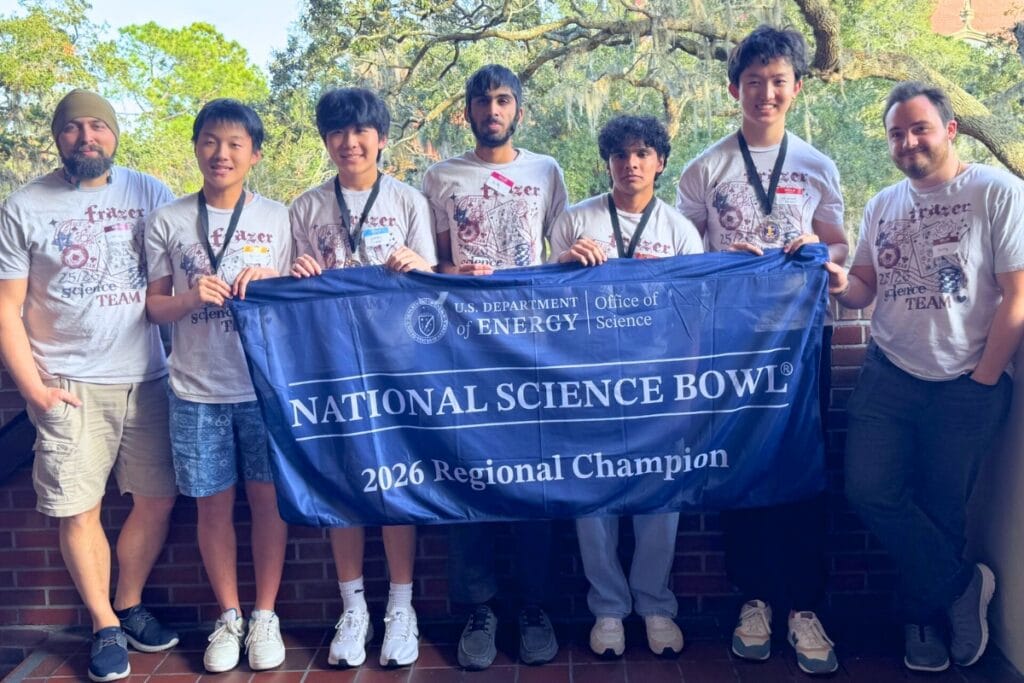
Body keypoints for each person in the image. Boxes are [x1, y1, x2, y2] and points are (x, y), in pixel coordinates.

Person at [827, 81, 1024, 673]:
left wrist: (984, 379)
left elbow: (1017, 296)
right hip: (888, 375)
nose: (907, 142)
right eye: (896, 134)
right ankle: (963, 585)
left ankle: (921, 623)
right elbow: (865, 288)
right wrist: (839, 281)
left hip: (967, 380)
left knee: (942, 509)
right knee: (868, 490)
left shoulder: (996, 191)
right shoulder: (883, 204)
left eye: (919, 129)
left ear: (950, 130)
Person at [675, 25, 847, 675]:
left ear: (796, 88)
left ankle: (803, 606)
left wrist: (818, 252)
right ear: (734, 90)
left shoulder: (818, 165)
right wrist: (722, 260)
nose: (765, 93)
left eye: (778, 82)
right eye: (753, 82)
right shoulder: (705, 168)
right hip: (732, 349)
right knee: (739, 464)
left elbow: (839, 246)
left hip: (801, 346)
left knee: (805, 465)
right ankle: (752, 600)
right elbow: (683, 258)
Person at [0, 90, 179, 682]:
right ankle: (103, 624)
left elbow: (188, 262)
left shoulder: (150, 192)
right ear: (58, 137)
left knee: (158, 499)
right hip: (68, 382)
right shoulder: (25, 206)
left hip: (148, 377)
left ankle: (128, 604)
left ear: (114, 133)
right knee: (79, 508)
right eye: (73, 128)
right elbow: (6, 308)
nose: (87, 138)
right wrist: (35, 391)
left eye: (98, 126)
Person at [421, 63, 568, 670]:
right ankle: (477, 608)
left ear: (519, 110)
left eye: (503, 99)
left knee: (537, 477)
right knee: (468, 475)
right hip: (465, 351)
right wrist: (452, 273)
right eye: (482, 101)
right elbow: (431, 265)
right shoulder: (441, 177)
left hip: (531, 349)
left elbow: (562, 255)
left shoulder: (547, 171)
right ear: (468, 112)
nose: (493, 110)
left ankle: (534, 605)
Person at [290, 87, 436, 669]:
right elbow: (289, 290)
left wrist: (419, 266)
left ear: (381, 138)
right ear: (326, 140)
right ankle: (353, 609)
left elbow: (434, 284)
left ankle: (402, 607)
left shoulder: (408, 200)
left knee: (396, 481)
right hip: (330, 364)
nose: (349, 142)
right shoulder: (305, 208)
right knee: (344, 484)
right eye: (337, 132)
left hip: (396, 364)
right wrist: (299, 272)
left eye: (360, 132)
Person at [144, 99, 291, 673]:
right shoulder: (169, 219)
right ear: (196, 147)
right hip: (194, 389)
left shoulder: (280, 217)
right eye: (209, 141)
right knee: (212, 508)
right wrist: (188, 298)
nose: (221, 153)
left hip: (263, 387)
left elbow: (301, 292)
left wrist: (273, 277)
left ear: (255, 155)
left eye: (234, 144)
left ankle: (265, 616)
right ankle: (228, 618)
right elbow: (154, 308)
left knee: (269, 505)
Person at [549, 114, 701, 658]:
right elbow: (544, 307)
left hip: (658, 386)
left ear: (660, 162)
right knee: (594, 496)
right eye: (619, 154)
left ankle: (655, 604)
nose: (630, 163)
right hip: (589, 382)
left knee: (660, 497)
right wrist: (563, 264)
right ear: (607, 162)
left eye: (641, 154)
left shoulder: (680, 230)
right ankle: (608, 609)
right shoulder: (576, 221)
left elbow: (695, 313)